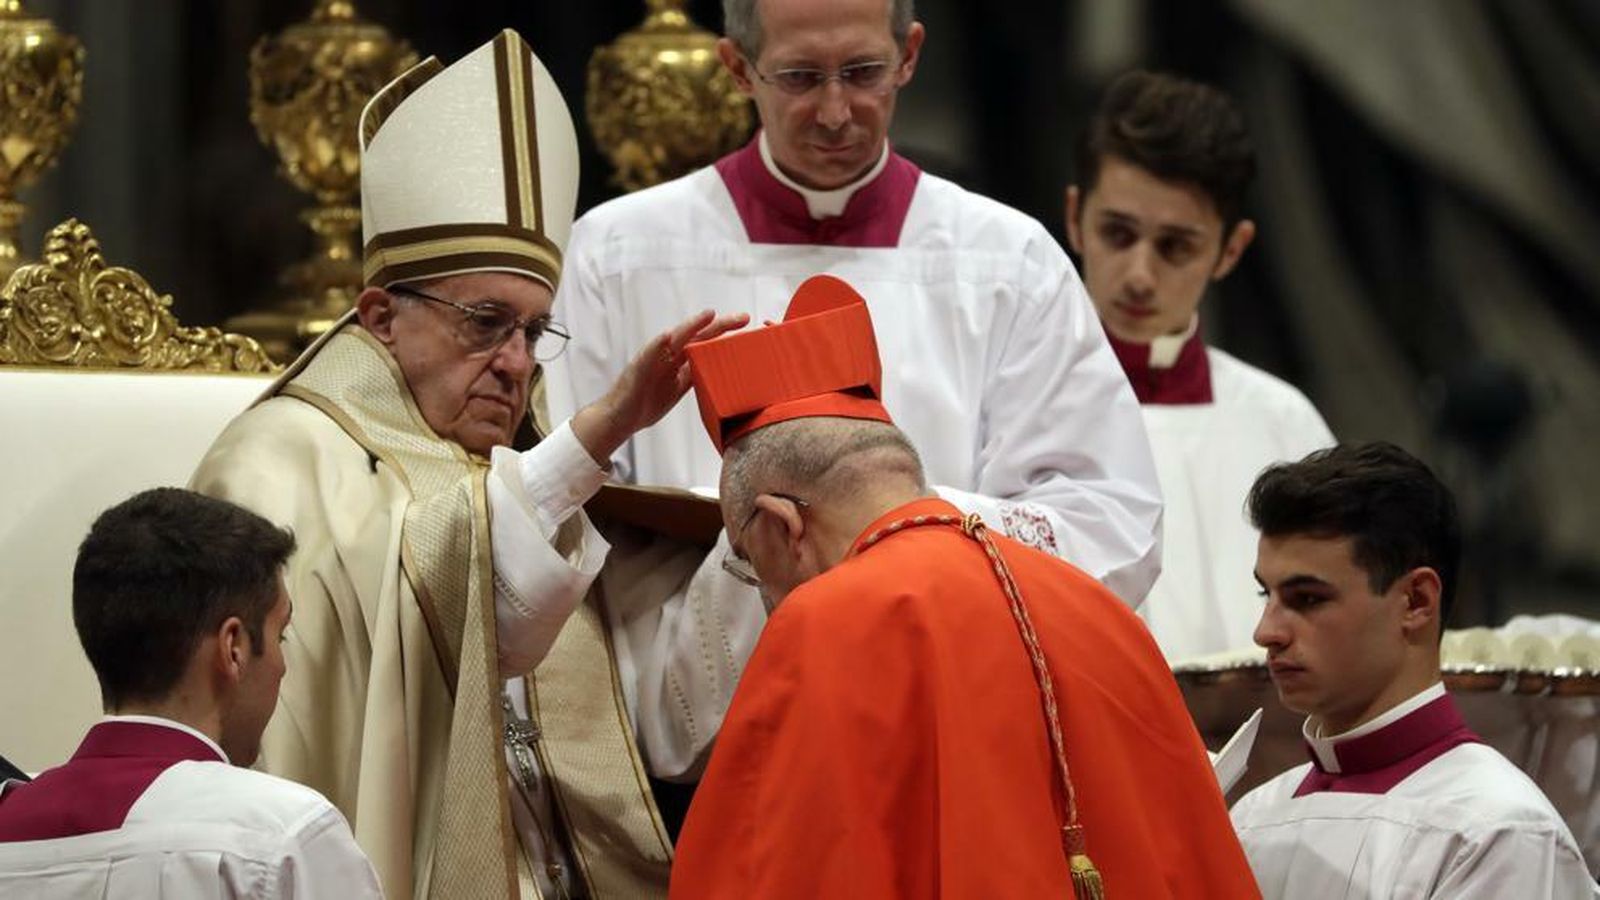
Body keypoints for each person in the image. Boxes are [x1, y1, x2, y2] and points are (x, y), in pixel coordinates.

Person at [546, 0, 1163, 784]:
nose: (836, 112)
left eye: (864, 74)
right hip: (704, 737)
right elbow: (573, 517)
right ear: (739, 69)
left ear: (909, 55)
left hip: (945, 727)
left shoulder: (1008, 259)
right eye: (801, 77)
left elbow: (1114, 520)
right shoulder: (619, 253)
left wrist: (903, 523)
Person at [191, 31, 743, 900]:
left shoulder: (524, 469)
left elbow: (668, 720)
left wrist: (749, 528)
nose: (519, 362)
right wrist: (590, 441)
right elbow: (446, 574)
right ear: (380, 316)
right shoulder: (280, 461)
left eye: (533, 329)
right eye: (484, 323)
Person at [666, 274, 1259, 898]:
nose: (762, 591)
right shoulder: (1100, 609)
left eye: (745, 559)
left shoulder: (822, 622)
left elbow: (769, 870)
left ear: (784, 524)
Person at [1230, 443, 1597, 898]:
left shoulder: (1497, 832)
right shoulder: (1250, 819)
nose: (1266, 632)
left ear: (1417, 601)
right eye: (1267, 596)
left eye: (1308, 598)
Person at [1065, 69, 1334, 661]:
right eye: (1118, 233)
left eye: (1175, 246)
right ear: (1074, 217)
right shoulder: (1013, 401)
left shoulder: (1284, 424)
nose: (1139, 273)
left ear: (1230, 249)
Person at [0, 488, 381, 898]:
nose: (281, 666)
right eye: (280, 635)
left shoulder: (9, 825)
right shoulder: (281, 835)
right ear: (233, 647)